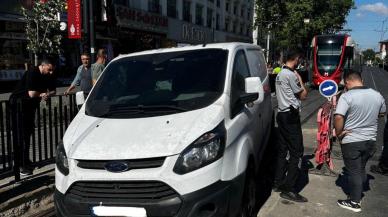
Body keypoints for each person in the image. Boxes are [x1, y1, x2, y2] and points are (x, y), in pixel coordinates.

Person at [334, 71, 386, 212]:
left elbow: (338, 117)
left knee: (354, 171)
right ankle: (356, 192)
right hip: (370, 141)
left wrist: (339, 133)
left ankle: (354, 202)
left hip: (352, 141)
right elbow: (382, 113)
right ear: (361, 80)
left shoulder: (347, 96)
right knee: (361, 168)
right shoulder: (377, 95)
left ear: (347, 82)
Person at [9, 58, 57, 176]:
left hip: (29, 107)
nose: (51, 72)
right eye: (49, 69)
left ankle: (25, 161)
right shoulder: (33, 72)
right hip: (18, 105)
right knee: (20, 135)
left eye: (52, 70)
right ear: (43, 65)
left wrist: (47, 94)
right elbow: (31, 93)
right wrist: (42, 94)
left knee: (28, 133)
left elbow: (53, 90)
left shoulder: (48, 75)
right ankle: (20, 165)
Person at [273, 49, 308, 202]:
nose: (300, 62)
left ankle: (278, 182)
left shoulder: (280, 73)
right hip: (290, 116)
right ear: (296, 58)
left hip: (281, 114)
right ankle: (289, 189)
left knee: (283, 150)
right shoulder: (290, 75)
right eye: (299, 59)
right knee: (297, 151)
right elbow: (303, 95)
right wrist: (300, 79)